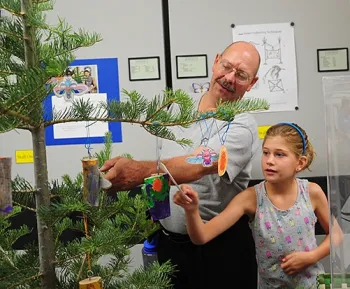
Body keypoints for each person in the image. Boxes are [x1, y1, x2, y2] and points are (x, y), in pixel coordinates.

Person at [100, 41, 261, 289]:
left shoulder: (243, 125)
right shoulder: (178, 110)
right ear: (216, 61)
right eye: (227, 66)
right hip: (170, 247)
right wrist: (155, 221)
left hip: (220, 250)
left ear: (252, 83)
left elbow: (199, 165)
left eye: (241, 75)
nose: (229, 78)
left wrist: (138, 171)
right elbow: (163, 167)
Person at [174, 122, 344, 289]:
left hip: (311, 285)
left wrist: (311, 257)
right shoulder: (251, 198)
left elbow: (336, 235)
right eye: (265, 153)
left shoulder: (311, 192)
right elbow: (201, 237)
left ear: (300, 163)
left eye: (279, 154)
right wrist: (192, 211)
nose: (269, 161)